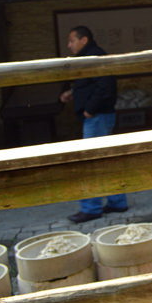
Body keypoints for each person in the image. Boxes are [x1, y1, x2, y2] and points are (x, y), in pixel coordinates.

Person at [60, 26, 128, 223]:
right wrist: (73, 93)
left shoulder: (95, 57)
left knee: (91, 163)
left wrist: (90, 109)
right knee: (105, 161)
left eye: (72, 41)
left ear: (84, 40)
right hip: (97, 116)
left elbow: (105, 87)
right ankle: (117, 202)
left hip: (97, 117)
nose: (69, 45)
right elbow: (91, 85)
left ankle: (91, 208)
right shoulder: (88, 57)